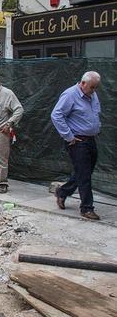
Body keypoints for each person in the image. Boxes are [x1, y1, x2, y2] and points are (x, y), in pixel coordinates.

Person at [50, 71, 102, 221]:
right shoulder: (70, 95)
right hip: (77, 141)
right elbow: (56, 115)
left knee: (84, 172)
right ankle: (86, 208)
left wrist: (97, 127)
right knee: (84, 175)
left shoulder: (92, 94)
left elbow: (95, 113)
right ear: (83, 83)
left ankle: (62, 192)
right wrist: (69, 136)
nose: (94, 90)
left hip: (91, 139)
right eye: (92, 87)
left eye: (96, 87)